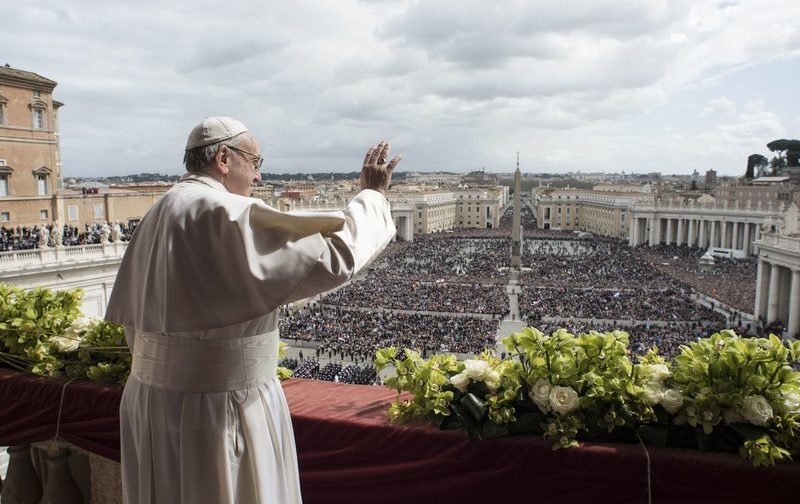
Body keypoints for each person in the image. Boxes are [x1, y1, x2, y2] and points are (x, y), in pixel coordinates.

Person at [105, 116, 401, 503]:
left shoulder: (157, 213)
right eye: (256, 163)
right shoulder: (223, 212)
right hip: (220, 406)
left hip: (149, 401)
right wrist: (374, 196)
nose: (259, 179)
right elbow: (334, 257)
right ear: (224, 158)